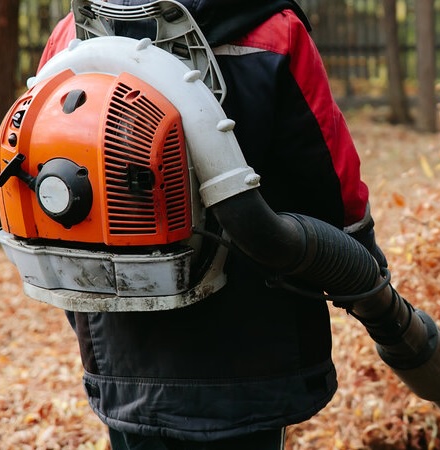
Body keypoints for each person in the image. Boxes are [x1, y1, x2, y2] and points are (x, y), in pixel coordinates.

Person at [37, 1, 387, 449]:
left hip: (126, 354)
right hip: (256, 346)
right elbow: (330, 176)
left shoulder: (73, 33)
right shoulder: (273, 30)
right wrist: (363, 257)